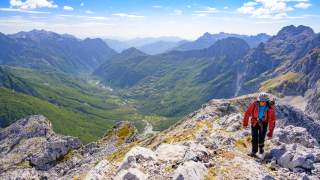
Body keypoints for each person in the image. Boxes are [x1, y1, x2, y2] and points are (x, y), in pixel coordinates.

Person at [242, 92, 276, 157]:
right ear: (258, 100)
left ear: (267, 101)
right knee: (254, 137)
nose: (262, 102)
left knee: (262, 137)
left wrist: (270, 133)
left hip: (264, 123)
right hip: (254, 122)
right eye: (261, 101)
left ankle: (261, 148)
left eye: (264, 101)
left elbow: (272, 120)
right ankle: (254, 152)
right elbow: (247, 113)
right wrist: (245, 123)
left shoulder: (270, 108)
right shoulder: (254, 104)